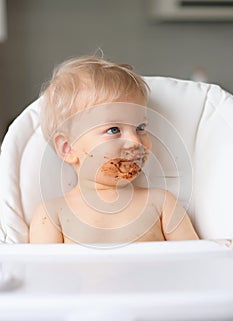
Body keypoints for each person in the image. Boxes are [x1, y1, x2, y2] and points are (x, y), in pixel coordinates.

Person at [29, 55, 199, 245]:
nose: (135, 141)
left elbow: (199, 264)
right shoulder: (52, 214)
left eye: (140, 128)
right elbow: (42, 272)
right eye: (113, 130)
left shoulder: (162, 204)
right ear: (68, 148)